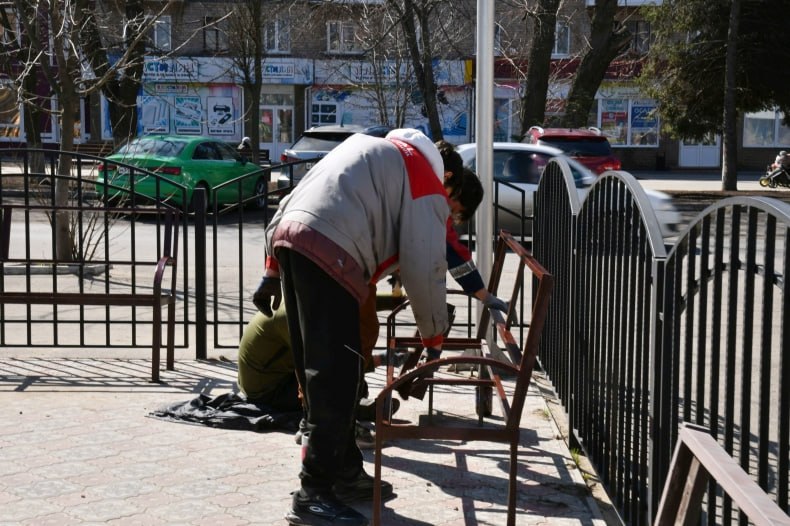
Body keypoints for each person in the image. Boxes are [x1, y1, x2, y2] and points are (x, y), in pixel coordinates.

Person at [255, 128, 489, 526]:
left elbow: (293, 199)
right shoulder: (421, 177)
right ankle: (313, 493)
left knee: (321, 374)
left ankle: (344, 473)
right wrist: (433, 337)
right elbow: (424, 264)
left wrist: (271, 270)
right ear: (446, 176)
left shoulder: (367, 147)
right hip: (332, 252)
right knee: (337, 379)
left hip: (292, 241)